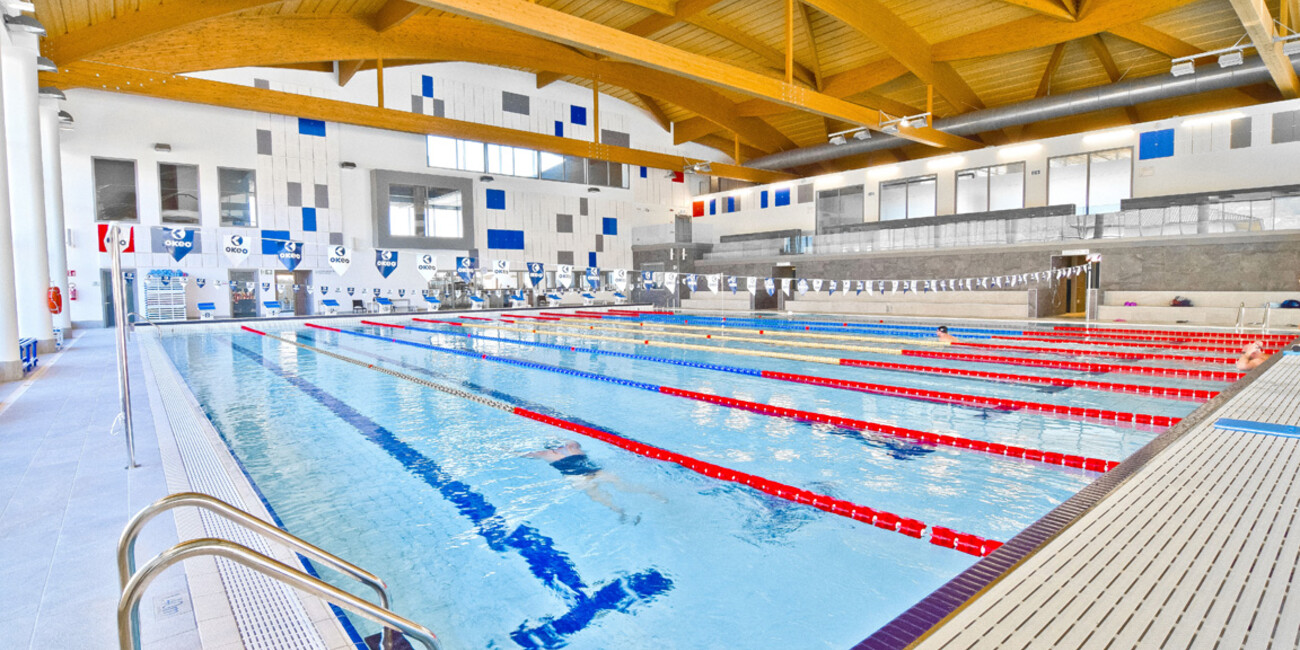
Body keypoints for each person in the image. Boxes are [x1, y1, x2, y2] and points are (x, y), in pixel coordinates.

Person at [526, 440, 665, 522]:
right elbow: (574, 442)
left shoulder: (546, 454)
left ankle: (621, 511)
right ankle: (650, 493)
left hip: (580, 478)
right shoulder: (573, 446)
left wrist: (505, 449)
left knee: (597, 496)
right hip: (595, 471)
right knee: (622, 486)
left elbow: (526, 455)